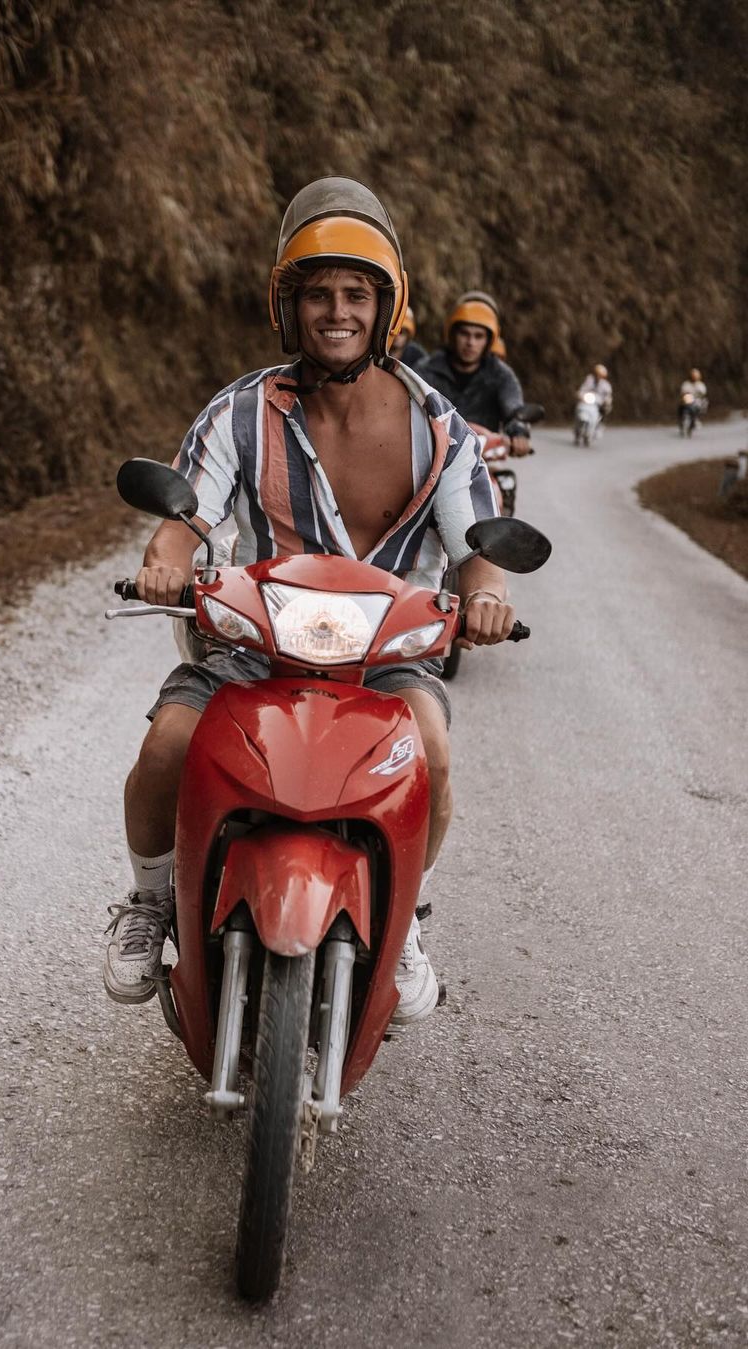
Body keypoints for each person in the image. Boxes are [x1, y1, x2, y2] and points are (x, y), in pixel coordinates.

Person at [103, 177, 517, 1027]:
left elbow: (480, 549)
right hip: (252, 649)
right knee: (167, 743)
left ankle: (402, 924)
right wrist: (165, 558)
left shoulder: (439, 428)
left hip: (386, 659)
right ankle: (150, 901)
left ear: (386, 306)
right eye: (319, 293)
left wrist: (487, 596)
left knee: (430, 751)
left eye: (357, 294)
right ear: (286, 306)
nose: (338, 311)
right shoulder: (240, 412)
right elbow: (186, 518)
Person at [418, 291, 533, 456]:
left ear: (488, 341)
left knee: (503, 481)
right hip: (433, 460)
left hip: (483, 460)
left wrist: (519, 432)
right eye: (464, 334)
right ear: (452, 334)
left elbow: (513, 408)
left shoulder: (501, 375)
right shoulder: (426, 370)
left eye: (478, 336)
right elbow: (405, 408)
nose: (470, 343)